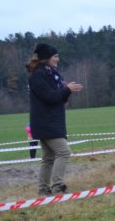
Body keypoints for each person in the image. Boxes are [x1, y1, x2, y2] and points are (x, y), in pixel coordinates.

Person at [26, 43, 83, 195]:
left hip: (49, 121)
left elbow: (57, 96)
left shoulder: (50, 74)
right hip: (47, 122)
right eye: (55, 56)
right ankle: (57, 186)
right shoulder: (38, 76)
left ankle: (43, 190)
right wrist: (67, 89)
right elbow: (50, 97)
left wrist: (67, 89)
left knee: (48, 157)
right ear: (46, 58)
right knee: (64, 152)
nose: (58, 59)